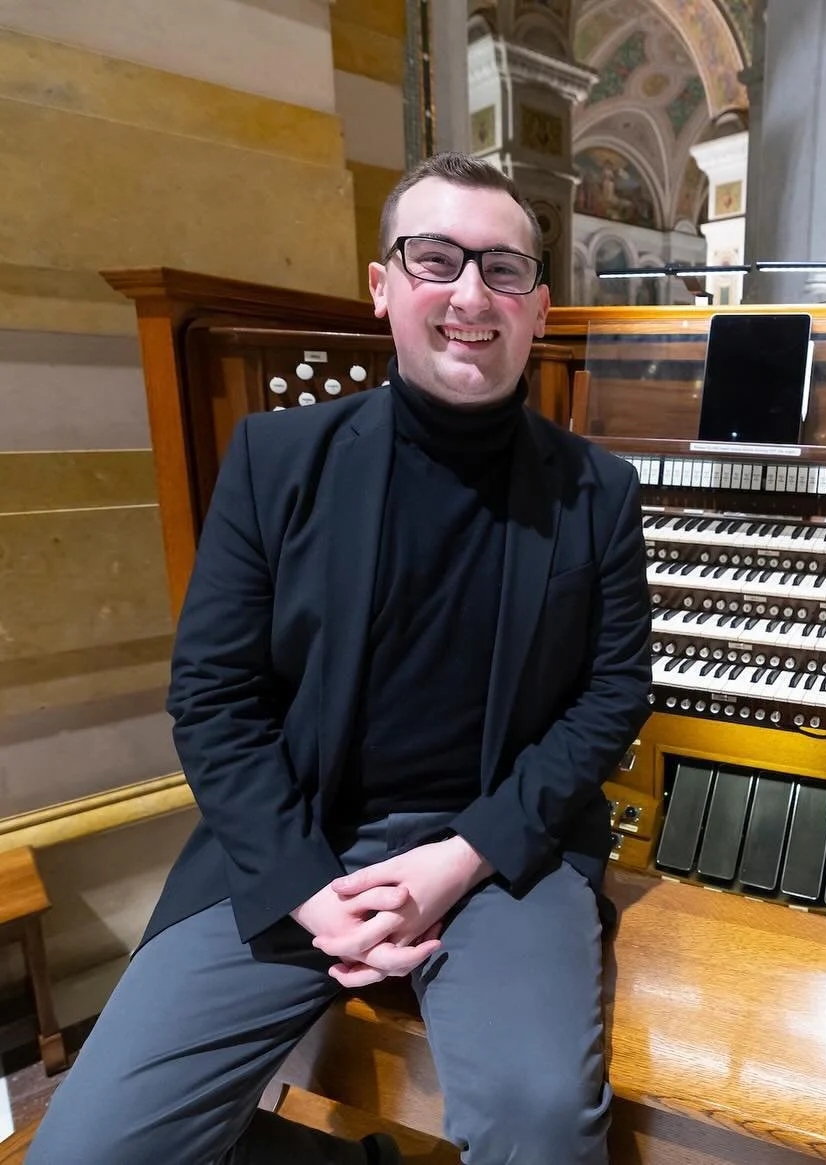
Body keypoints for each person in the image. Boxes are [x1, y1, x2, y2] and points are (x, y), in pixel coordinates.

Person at [27, 152, 653, 1165]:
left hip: (497, 856)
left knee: (540, 1124)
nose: (468, 295)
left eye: (501, 270)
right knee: (86, 1150)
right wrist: (314, 891)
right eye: (435, 259)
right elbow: (214, 696)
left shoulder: (599, 491)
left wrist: (460, 858)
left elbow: (613, 692)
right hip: (296, 843)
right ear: (383, 287)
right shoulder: (278, 461)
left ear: (537, 308)